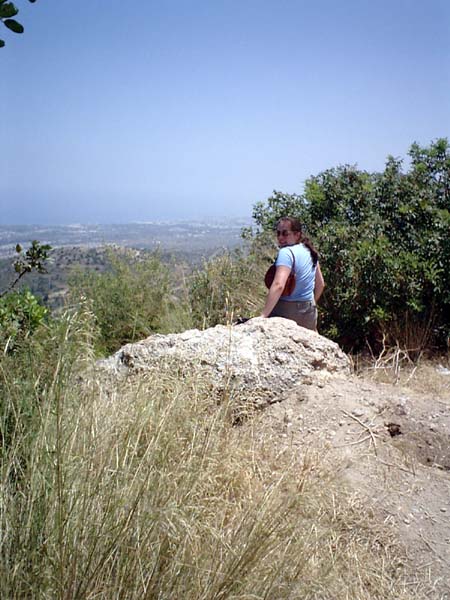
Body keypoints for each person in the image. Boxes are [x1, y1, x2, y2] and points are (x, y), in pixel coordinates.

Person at [260, 217, 325, 331]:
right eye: (278, 233)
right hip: (309, 312)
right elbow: (320, 285)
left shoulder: (286, 253)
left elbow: (279, 285)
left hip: (286, 311)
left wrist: (263, 316)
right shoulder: (310, 251)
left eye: (285, 234)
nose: (280, 237)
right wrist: (310, 304)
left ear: (297, 235)